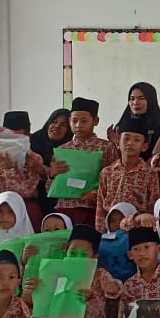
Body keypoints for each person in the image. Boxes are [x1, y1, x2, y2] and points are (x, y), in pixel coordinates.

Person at [50, 97, 120, 227]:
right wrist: (51, 175)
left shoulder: (106, 148)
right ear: (69, 121)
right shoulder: (62, 149)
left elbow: (114, 179)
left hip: (94, 208)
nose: (78, 125)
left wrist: (96, 194)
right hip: (66, 208)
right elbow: (51, 187)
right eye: (74, 120)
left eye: (84, 121)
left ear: (96, 121)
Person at [96, 117, 160, 233]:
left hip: (137, 230)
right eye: (126, 138)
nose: (130, 143)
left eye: (136, 140)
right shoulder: (107, 173)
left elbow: (153, 206)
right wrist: (100, 235)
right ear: (118, 143)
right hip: (112, 231)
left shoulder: (149, 174)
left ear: (144, 147)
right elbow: (100, 208)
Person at [0, 111, 48, 231]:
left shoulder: (33, 159)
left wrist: (9, 170)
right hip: (0, 208)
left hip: (27, 209)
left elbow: (25, 191)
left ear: (28, 137)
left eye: (19, 138)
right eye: (10, 137)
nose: (14, 142)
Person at [28, 108, 72, 217]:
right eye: (54, 121)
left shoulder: (70, 150)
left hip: (55, 203)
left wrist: (43, 171)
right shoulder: (32, 141)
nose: (57, 126)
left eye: (64, 125)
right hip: (29, 201)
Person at [112, 82, 160, 161]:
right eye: (132, 99)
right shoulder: (122, 127)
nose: (135, 103)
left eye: (141, 98)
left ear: (151, 100)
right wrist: (115, 145)